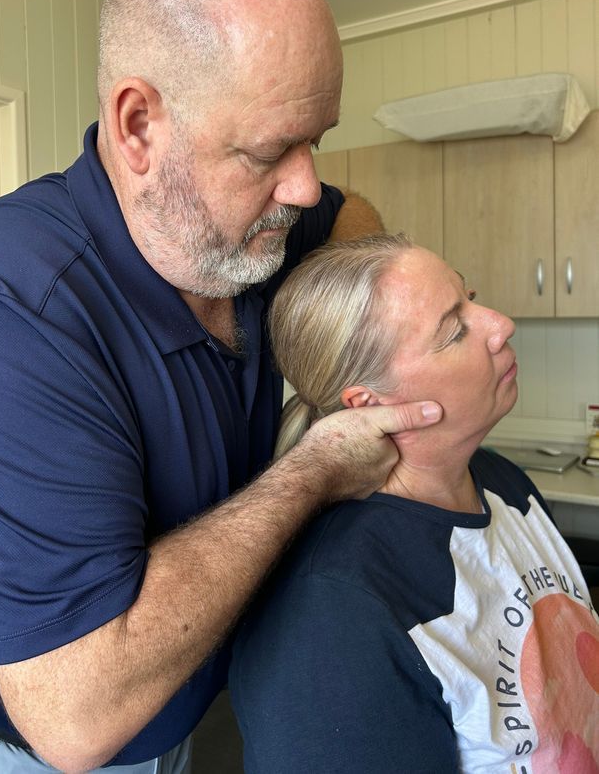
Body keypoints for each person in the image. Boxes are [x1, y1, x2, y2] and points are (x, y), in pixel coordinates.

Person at [0, 0, 443, 773]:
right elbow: (75, 718)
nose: (304, 185)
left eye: (315, 140)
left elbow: (348, 216)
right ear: (138, 127)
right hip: (21, 748)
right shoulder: (8, 311)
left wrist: (353, 345)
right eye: (269, 150)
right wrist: (313, 468)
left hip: (176, 713)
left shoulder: (248, 228)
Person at [230, 234, 599, 774]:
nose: (501, 324)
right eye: (454, 331)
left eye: (471, 298)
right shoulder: (334, 615)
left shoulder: (505, 484)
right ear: (368, 402)